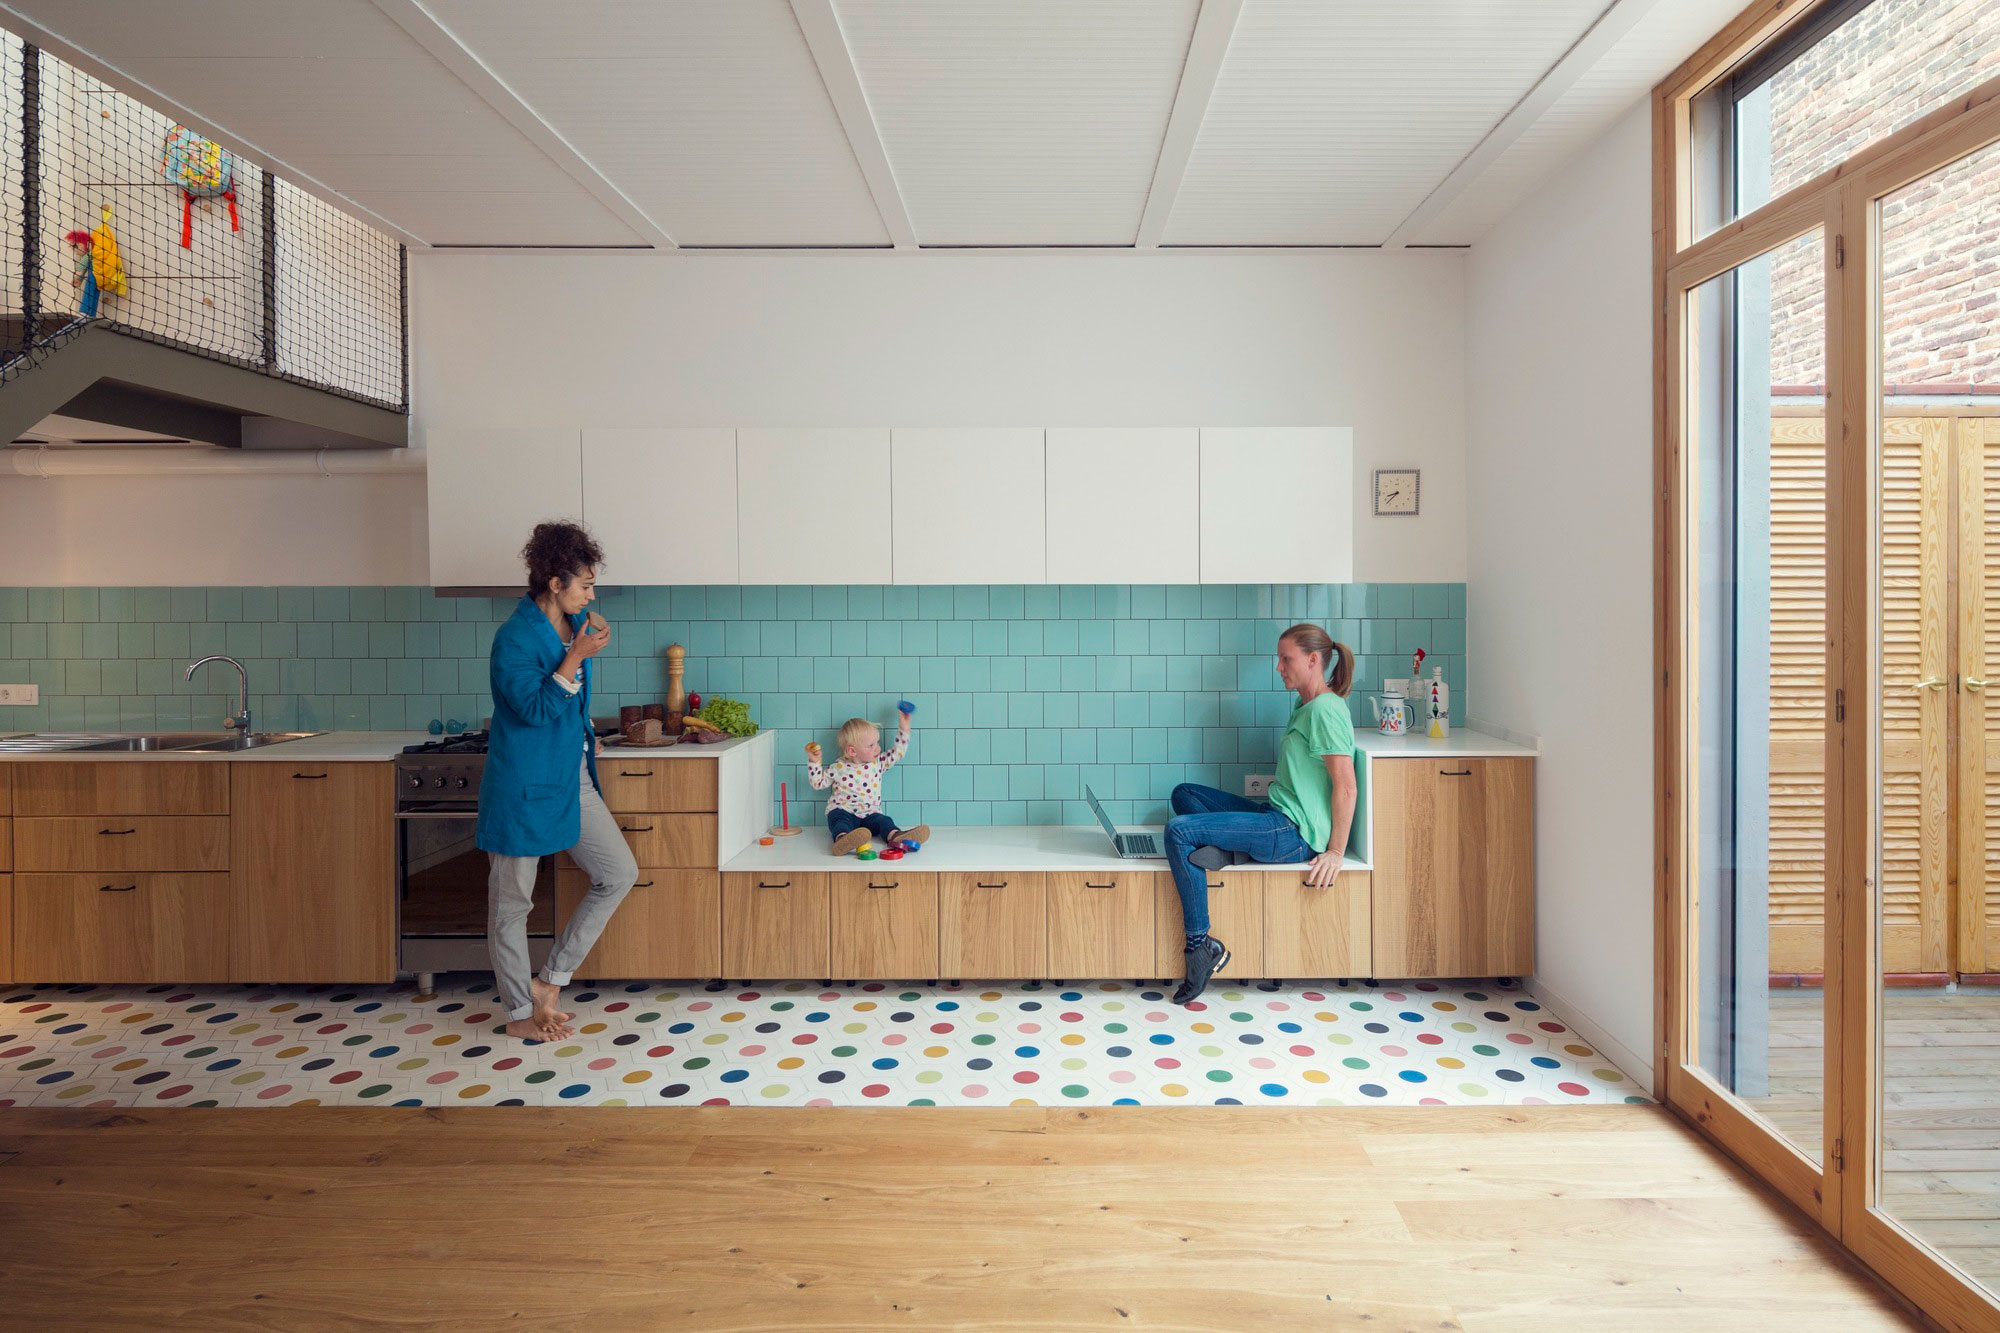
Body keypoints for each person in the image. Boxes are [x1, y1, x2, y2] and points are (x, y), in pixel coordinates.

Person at [476, 521, 637, 1041]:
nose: (592, 595)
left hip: (571, 778)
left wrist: (589, 731)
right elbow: (532, 709)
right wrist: (576, 657)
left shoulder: (576, 626)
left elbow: (570, 704)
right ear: (554, 583)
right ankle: (520, 1014)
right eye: (585, 585)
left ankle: (551, 980)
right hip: (523, 786)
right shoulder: (514, 640)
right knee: (512, 905)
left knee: (618, 872)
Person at [1163, 623, 1359, 1004]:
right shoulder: (1307, 704)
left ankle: (1200, 946)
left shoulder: (1325, 711)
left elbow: (1346, 786)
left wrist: (1335, 851)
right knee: (1184, 794)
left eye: (1286, 659)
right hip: (1276, 814)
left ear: (1313, 660)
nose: (1278, 667)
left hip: (1291, 833)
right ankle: (1229, 853)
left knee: (1178, 832)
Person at [805, 713, 931, 856]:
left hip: (870, 814)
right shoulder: (838, 768)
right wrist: (814, 762)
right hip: (844, 810)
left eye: (877, 743)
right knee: (839, 821)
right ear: (852, 751)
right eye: (871, 745)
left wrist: (904, 728)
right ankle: (842, 840)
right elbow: (818, 783)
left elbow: (898, 752)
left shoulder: (878, 763)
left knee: (884, 821)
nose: (877, 748)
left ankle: (896, 836)